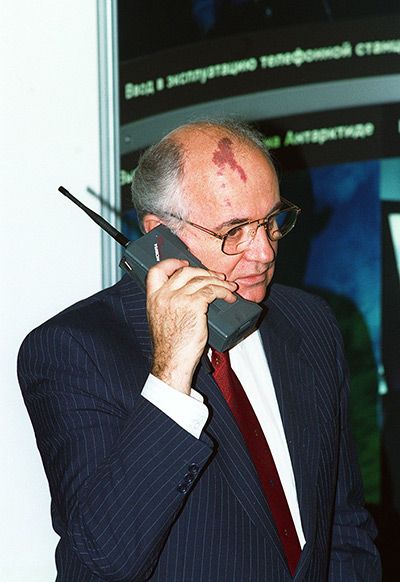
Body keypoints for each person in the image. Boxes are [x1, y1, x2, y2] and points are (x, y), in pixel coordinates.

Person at [18, 119, 381, 581]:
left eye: (272, 222)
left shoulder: (309, 321)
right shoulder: (74, 349)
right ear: (160, 236)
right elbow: (101, 562)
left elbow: (342, 525)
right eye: (235, 231)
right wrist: (170, 374)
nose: (264, 253)